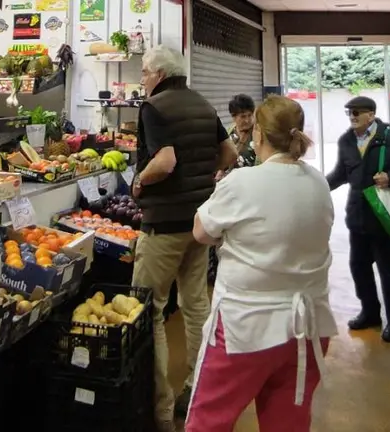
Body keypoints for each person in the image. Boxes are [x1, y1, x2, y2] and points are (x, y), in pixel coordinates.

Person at [186, 95, 337, 431]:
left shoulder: (242, 182)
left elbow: (201, 232)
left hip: (246, 326)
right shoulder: (318, 182)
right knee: (288, 422)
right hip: (308, 328)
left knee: (209, 421)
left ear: (258, 135)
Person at [131, 44, 238, 432]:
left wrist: (139, 182)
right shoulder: (201, 103)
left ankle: (159, 408)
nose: (141, 80)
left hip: (162, 226)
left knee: (149, 309)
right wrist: (201, 180)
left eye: (144, 73)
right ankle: (194, 389)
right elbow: (228, 153)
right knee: (195, 305)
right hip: (198, 222)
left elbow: (165, 161)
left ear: (159, 74)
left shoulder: (154, 107)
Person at [326, 96, 390, 343]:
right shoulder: (347, 141)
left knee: (389, 271)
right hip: (358, 218)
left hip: (385, 219)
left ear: (371, 114)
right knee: (359, 268)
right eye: (349, 112)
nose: (352, 116)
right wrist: (318, 185)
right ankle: (370, 313)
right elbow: (340, 174)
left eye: (357, 112)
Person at [208, 94, 257, 283]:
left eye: (249, 115)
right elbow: (221, 157)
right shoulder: (229, 134)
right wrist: (219, 171)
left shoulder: (259, 134)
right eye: (241, 116)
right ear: (233, 117)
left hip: (249, 192)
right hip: (227, 192)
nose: (246, 120)